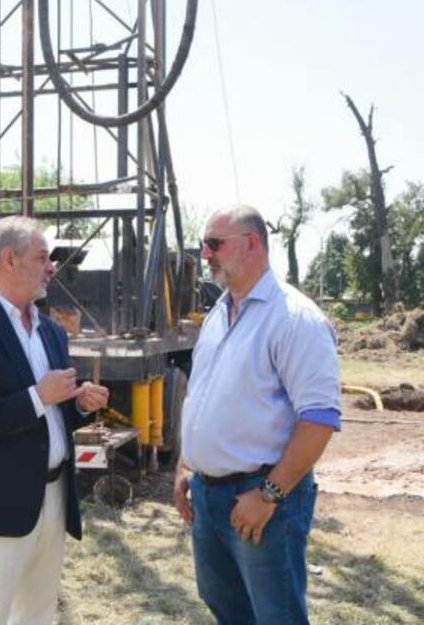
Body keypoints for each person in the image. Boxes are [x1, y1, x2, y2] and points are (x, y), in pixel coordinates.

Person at [0, 215, 109, 625]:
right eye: (43, 256)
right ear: (10, 259)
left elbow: (52, 415)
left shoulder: (51, 332)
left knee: (37, 615)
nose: (52, 267)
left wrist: (78, 405)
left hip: (54, 497)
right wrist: (37, 396)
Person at [173, 205, 342, 625]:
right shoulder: (219, 313)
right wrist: (185, 464)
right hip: (209, 498)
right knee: (227, 610)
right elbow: (201, 394)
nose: (206, 254)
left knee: (275, 615)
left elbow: (319, 420)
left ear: (251, 244)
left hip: (260, 499)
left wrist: (269, 495)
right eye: (204, 245)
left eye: (214, 243)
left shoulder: (295, 319)